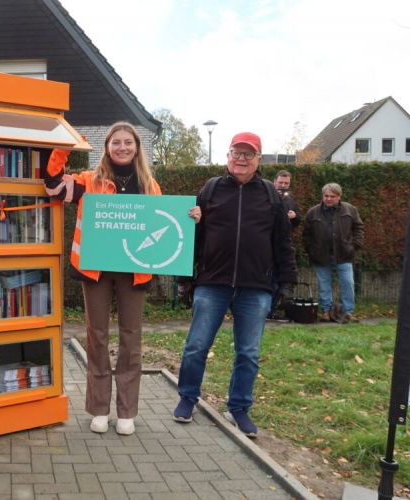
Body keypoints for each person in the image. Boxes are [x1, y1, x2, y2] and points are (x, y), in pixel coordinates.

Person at [44, 122, 200, 436]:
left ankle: (127, 411)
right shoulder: (90, 180)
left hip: (135, 270)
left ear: (137, 148)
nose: (123, 147)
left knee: (131, 339)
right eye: (117, 142)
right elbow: (52, 186)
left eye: (128, 142)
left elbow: (166, 223)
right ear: (108, 147)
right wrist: (63, 147)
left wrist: (190, 216)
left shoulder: (149, 184)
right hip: (95, 270)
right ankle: (99, 409)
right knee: (96, 337)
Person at [172, 132, 297, 438]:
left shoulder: (270, 195)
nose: (241, 159)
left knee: (248, 353)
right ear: (227, 156)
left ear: (258, 160)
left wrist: (286, 281)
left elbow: (283, 242)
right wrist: (186, 277)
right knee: (196, 346)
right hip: (212, 283)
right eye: (236, 153)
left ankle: (238, 408)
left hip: (255, 287)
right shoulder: (211, 189)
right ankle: (187, 398)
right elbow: (194, 235)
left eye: (248, 154)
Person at [302, 183, 364, 322]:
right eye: (326, 196)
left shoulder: (350, 209)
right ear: (322, 196)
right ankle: (326, 311)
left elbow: (358, 228)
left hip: (344, 254)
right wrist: (311, 250)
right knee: (324, 285)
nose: (328, 199)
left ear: (339, 197)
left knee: (348, 284)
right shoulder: (313, 212)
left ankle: (348, 312)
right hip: (320, 255)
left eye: (332, 196)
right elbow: (306, 234)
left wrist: (354, 246)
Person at [268, 170, 302, 319]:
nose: (283, 186)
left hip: (283, 246)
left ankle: (272, 310)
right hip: (266, 244)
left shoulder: (291, 201)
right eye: (281, 182)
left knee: (278, 280)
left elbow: (298, 221)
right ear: (274, 181)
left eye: (286, 183)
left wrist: (294, 217)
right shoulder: (266, 196)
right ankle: (265, 310)